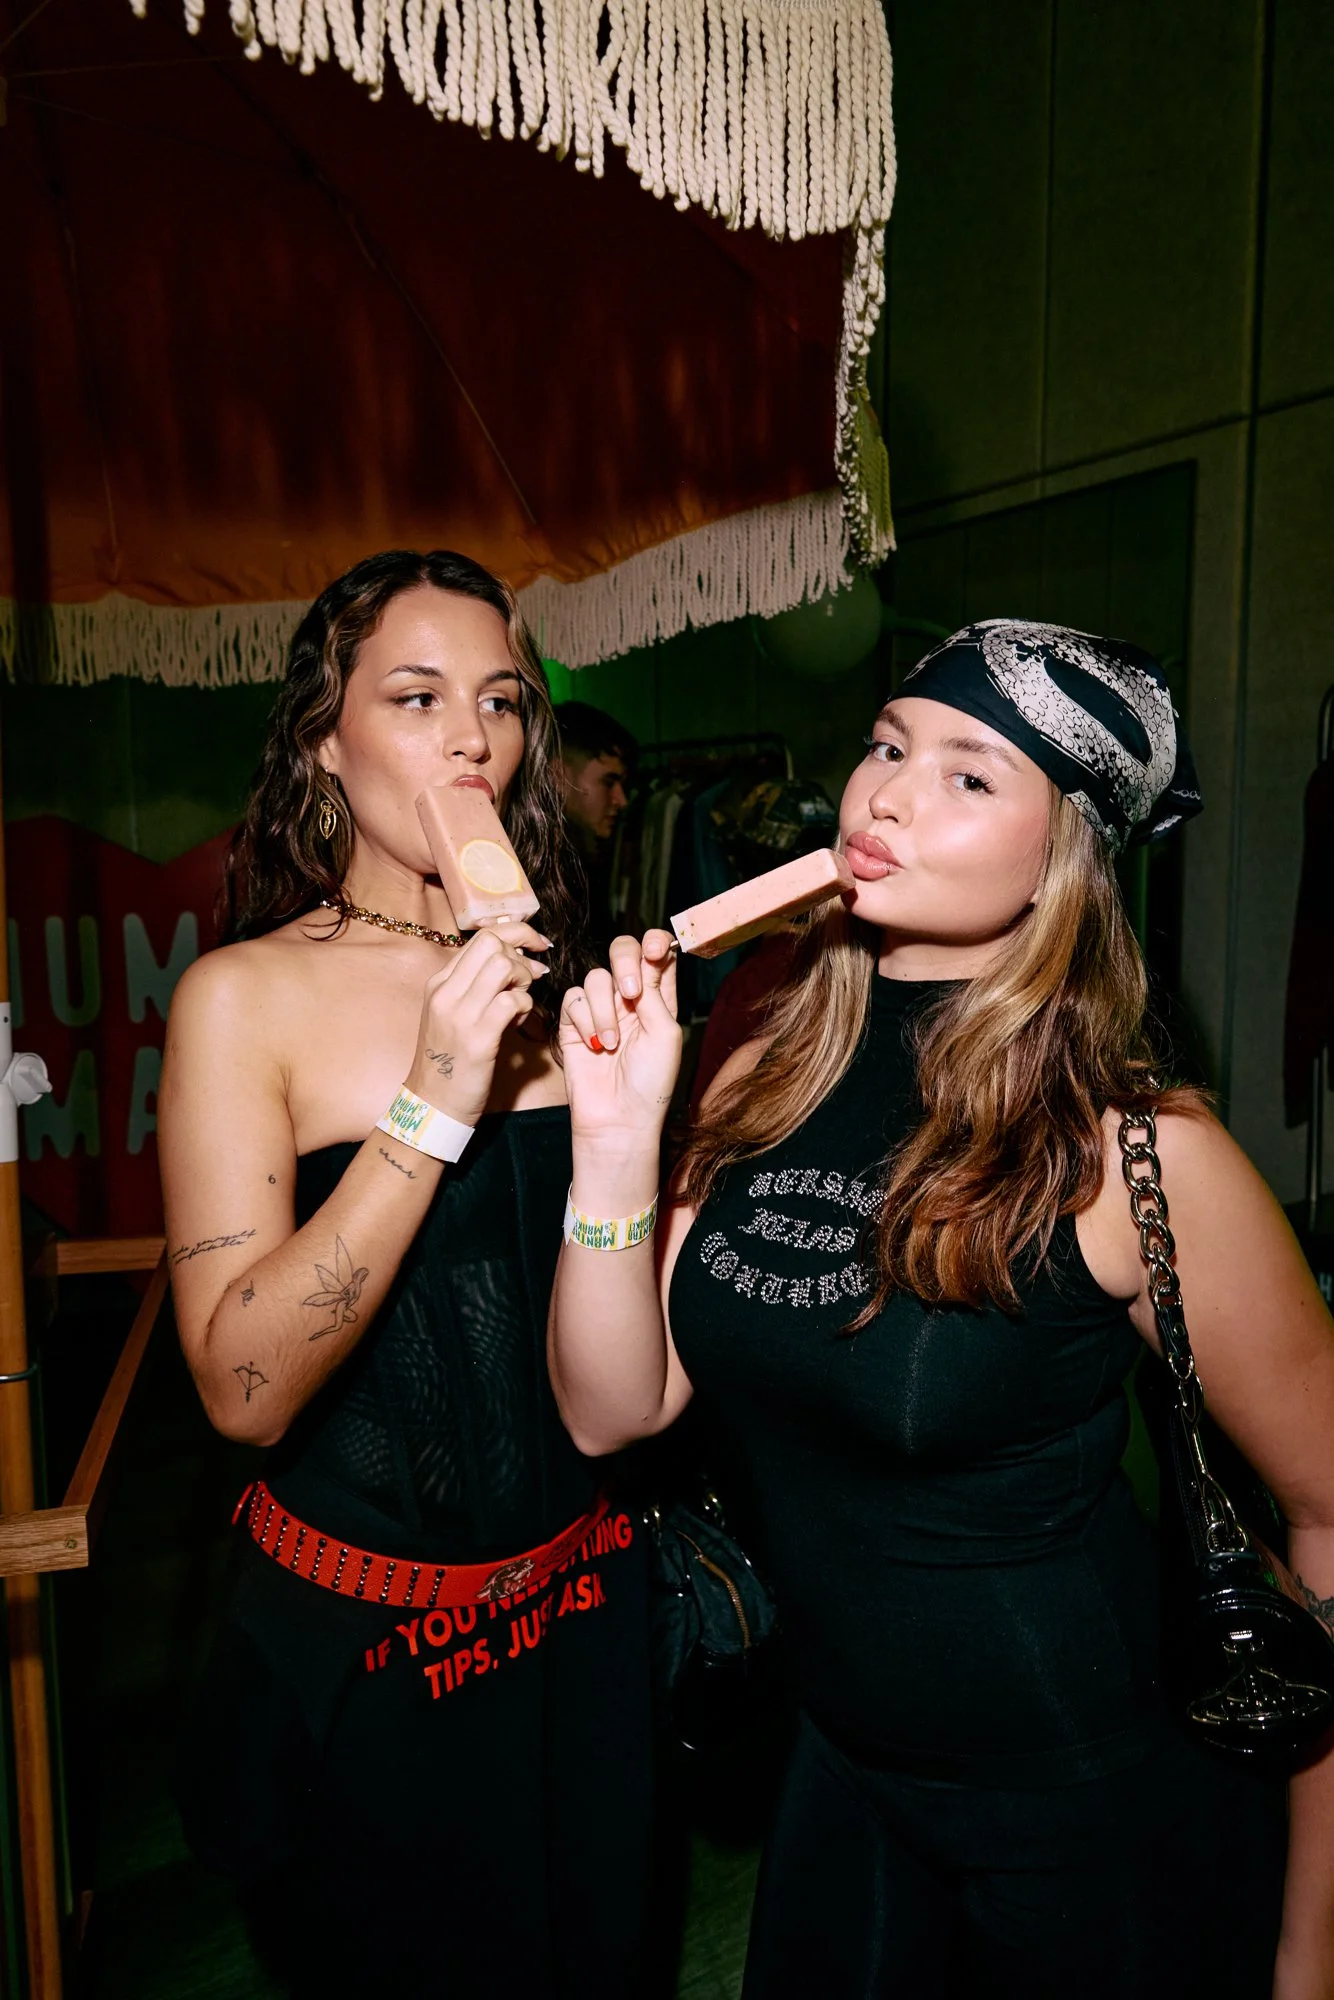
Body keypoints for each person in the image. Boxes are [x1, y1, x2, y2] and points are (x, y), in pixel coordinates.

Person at [547, 619, 1334, 2000]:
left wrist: (1309, 1944)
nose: (887, 796)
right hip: (840, 1766)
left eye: (970, 774)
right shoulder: (762, 1075)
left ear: (1067, 854)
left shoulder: (1131, 1150)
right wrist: (612, 1148)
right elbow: (615, 1410)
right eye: (887, 747)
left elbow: (1325, 1509)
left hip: (1087, 1802)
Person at [159, 550, 650, 1999]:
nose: (472, 740)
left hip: (584, 1615)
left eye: (500, 701)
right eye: (418, 698)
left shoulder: (573, 985)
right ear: (326, 737)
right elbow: (241, 1388)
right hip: (375, 1655)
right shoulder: (244, 997)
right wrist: (434, 1094)